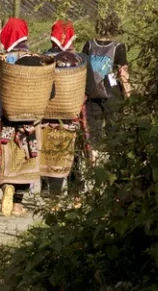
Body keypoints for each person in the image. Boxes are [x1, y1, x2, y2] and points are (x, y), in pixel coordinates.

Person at [0, 17, 42, 217]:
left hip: (7, 119)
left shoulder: (1, 60)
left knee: (8, 157)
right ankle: (17, 204)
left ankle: (6, 184)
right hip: (30, 121)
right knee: (25, 159)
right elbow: (51, 92)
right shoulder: (38, 60)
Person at [40, 20, 90, 197]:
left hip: (46, 115)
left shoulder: (44, 59)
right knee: (73, 151)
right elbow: (89, 87)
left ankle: (48, 189)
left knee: (48, 151)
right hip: (71, 114)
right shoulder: (79, 61)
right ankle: (75, 191)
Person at [82, 13, 130, 151]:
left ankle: (94, 159)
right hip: (112, 93)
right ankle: (113, 157)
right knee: (113, 129)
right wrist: (129, 96)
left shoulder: (89, 44)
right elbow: (123, 73)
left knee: (93, 130)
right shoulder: (118, 46)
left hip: (91, 93)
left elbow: (83, 69)